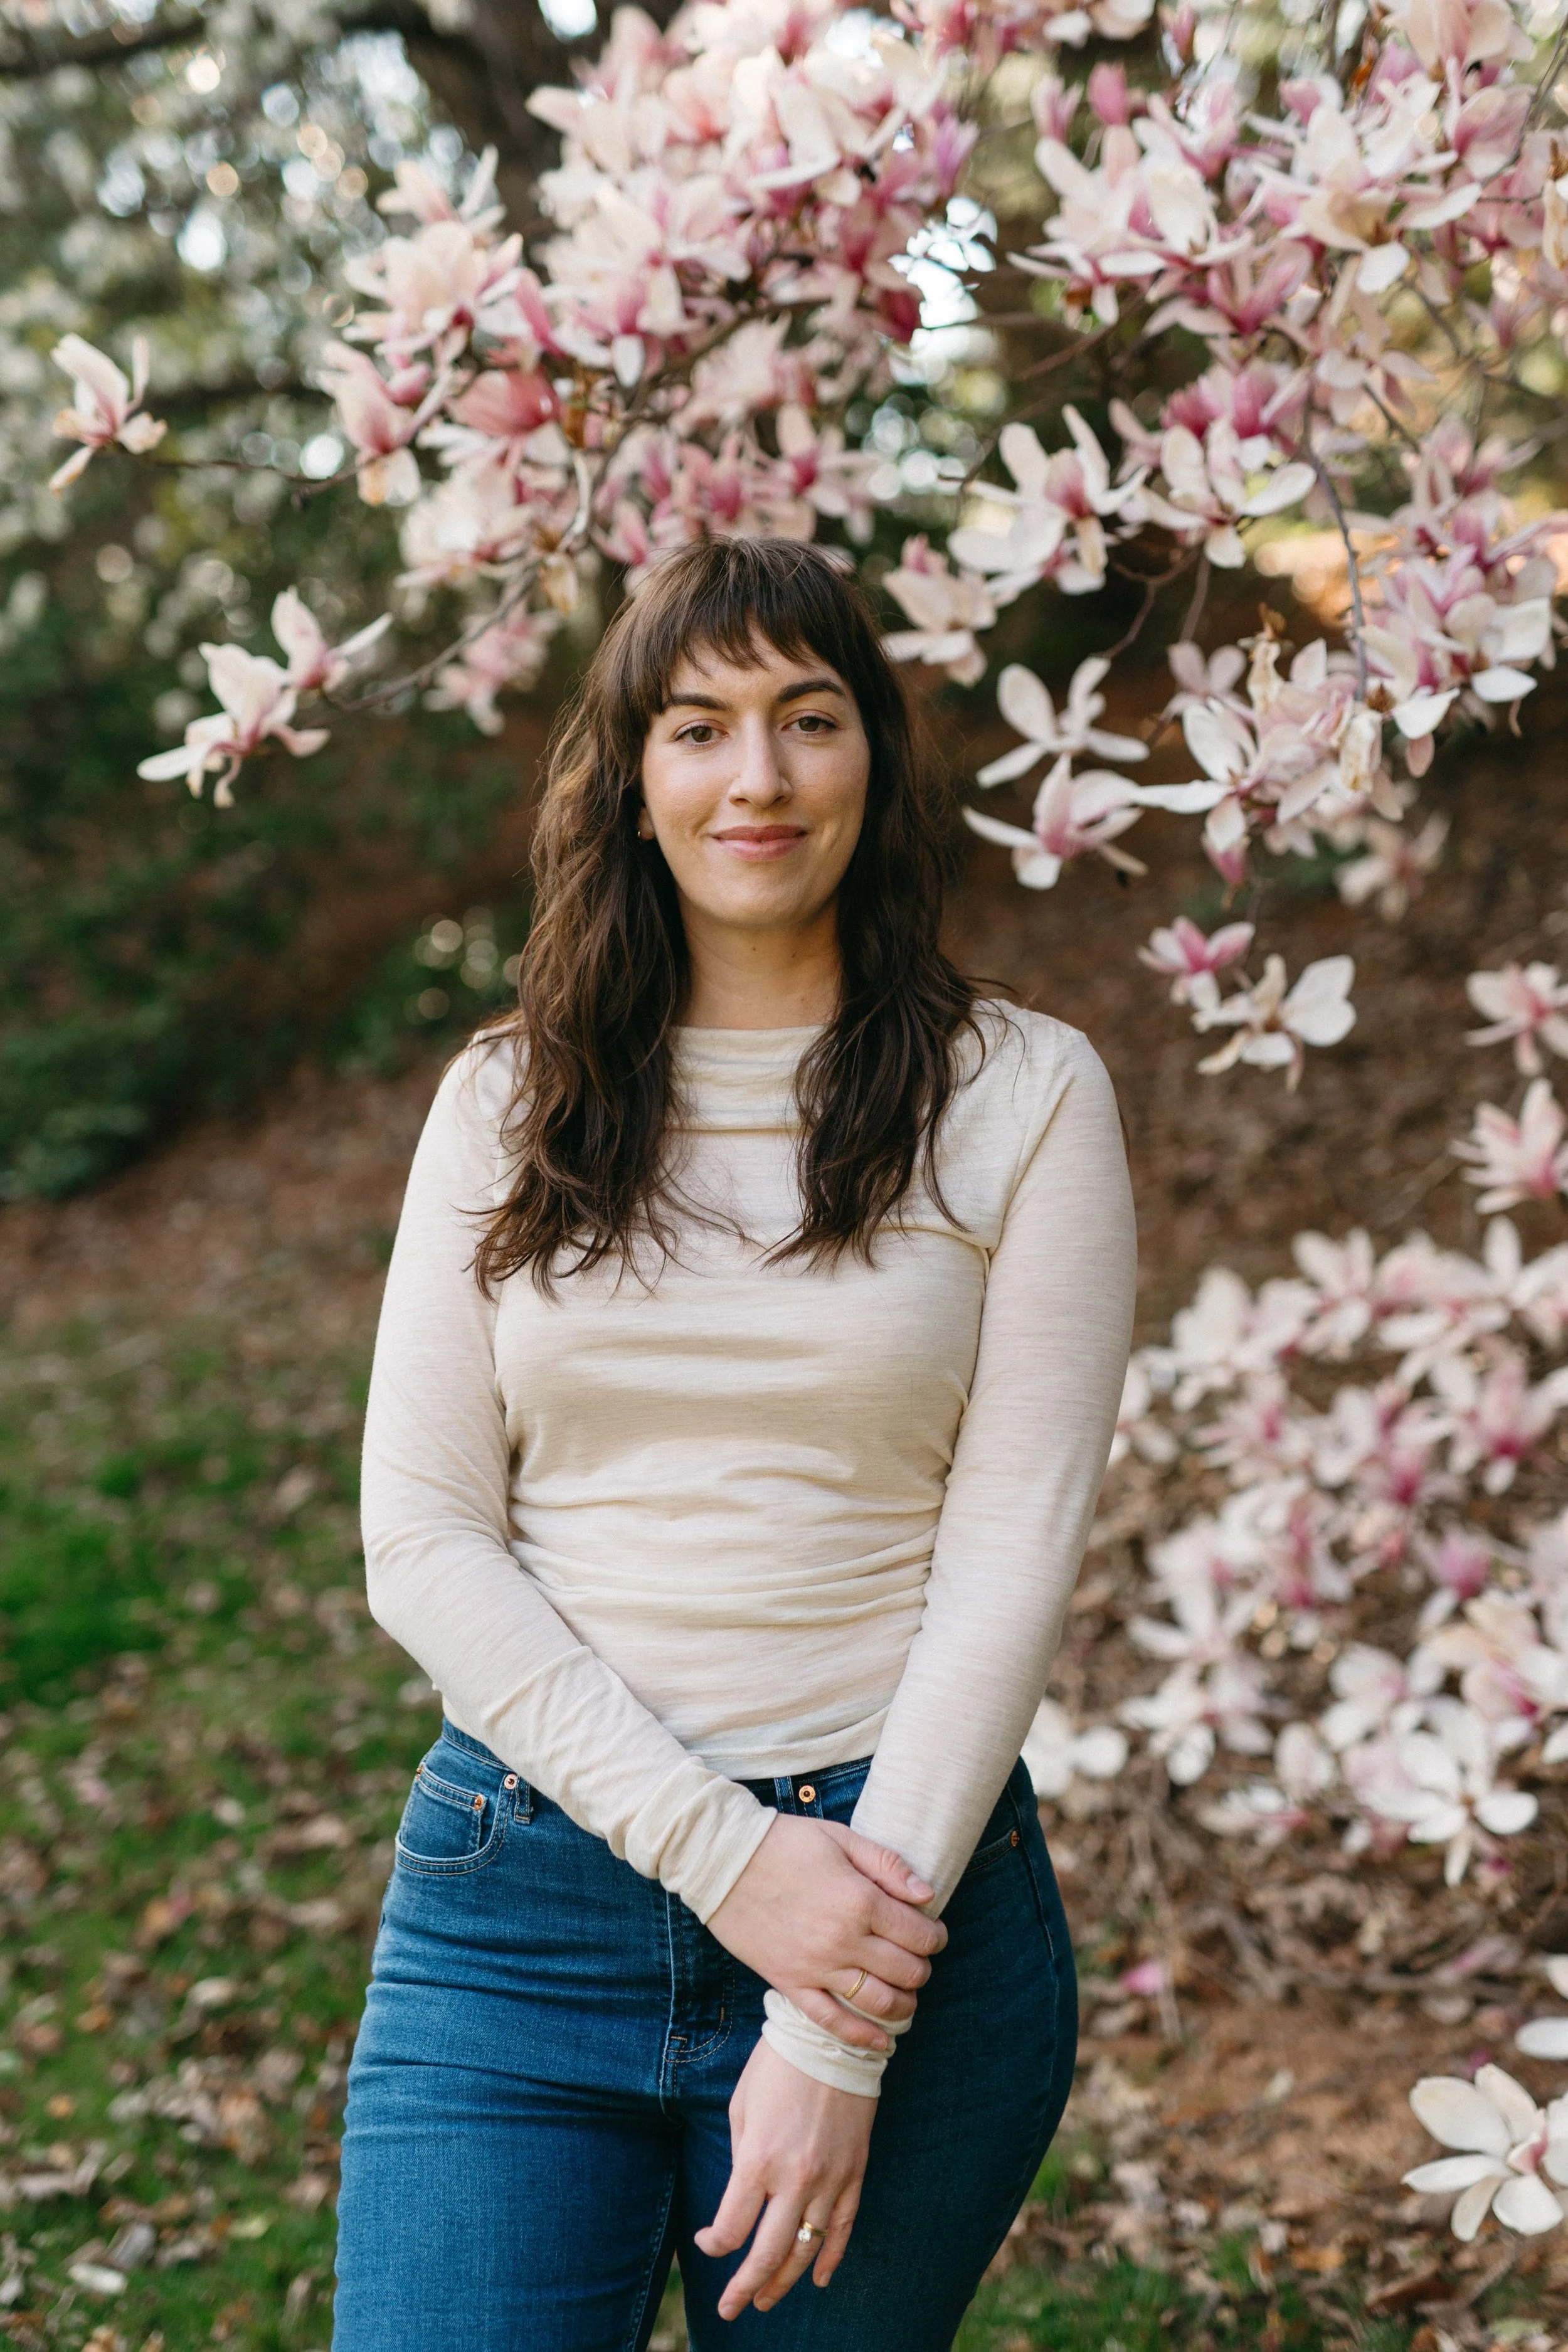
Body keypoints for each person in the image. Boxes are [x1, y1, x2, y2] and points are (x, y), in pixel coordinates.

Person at [334, 536, 1137, 2352]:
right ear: (631, 779)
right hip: (520, 1906)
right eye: (698, 727)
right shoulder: (505, 1101)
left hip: (898, 1897)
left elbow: (1009, 1551)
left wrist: (836, 2012)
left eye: (806, 717)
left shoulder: (1021, 1097)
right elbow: (425, 1535)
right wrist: (726, 1861)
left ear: (877, 756)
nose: (755, 776)